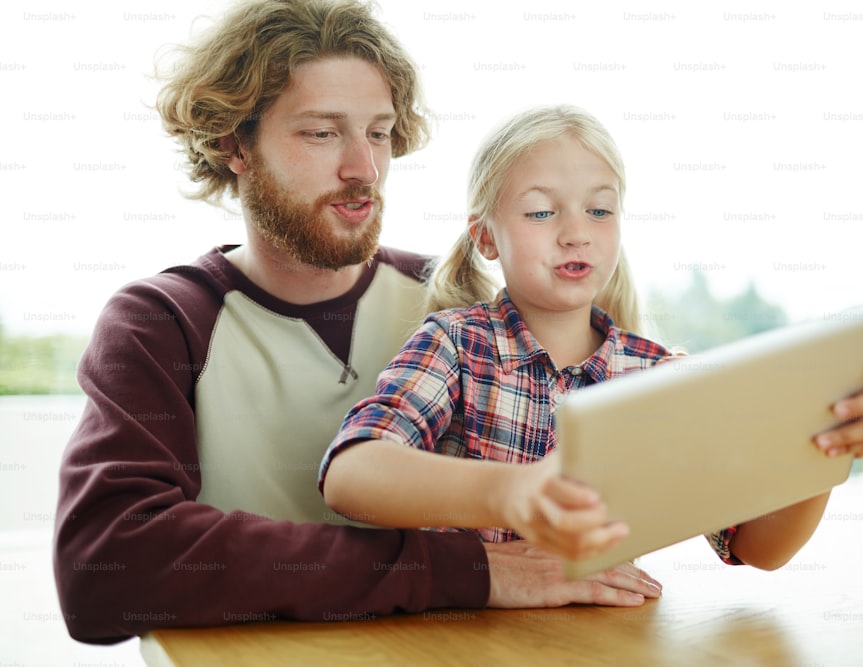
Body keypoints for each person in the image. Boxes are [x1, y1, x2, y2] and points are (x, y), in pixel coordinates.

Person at [52, 0, 664, 645]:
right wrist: (465, 571)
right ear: (235, 143)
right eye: (321, 133)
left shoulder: (459, 307)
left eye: (378, 133)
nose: (364, 169)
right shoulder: (160, 323)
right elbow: (104, 568)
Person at [320, 105, 863, 569]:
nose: (576, 234)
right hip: (467, 640)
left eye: (600, 211)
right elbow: (351, 474)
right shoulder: (456, 344)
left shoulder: (662, 377)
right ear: (485, 237)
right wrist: (515, 491)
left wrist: (825, 448)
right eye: (542, 213)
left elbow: (756, 548)